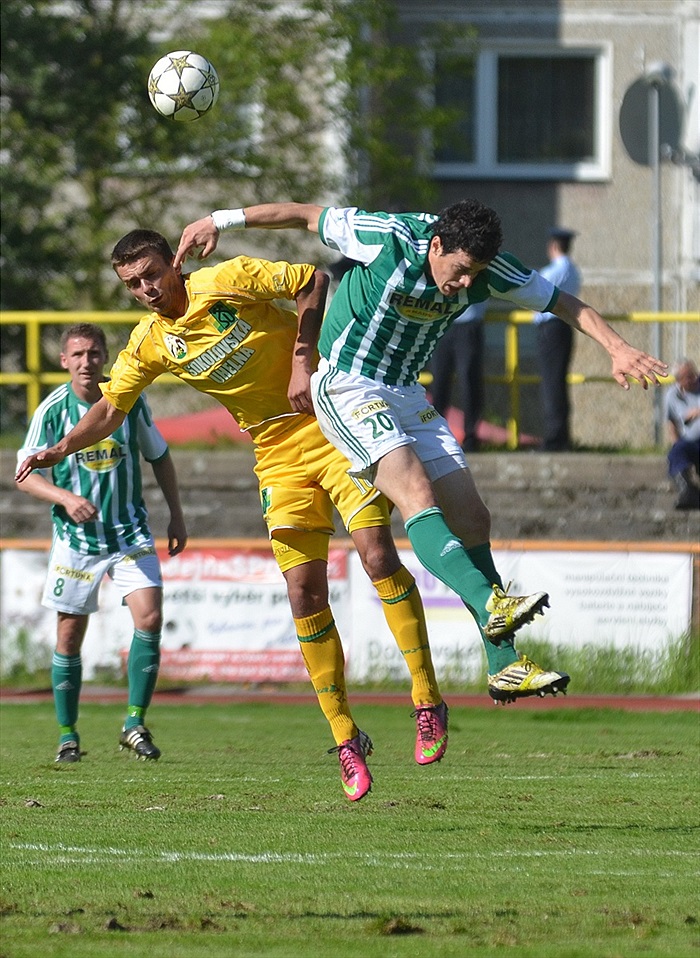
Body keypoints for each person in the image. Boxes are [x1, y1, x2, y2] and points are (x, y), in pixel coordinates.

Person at [173, 198, 668, 707]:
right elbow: (302, 213)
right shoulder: (386, 237)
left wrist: (617, 347)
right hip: (347, 386)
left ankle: (504, 667)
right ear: (435, 246)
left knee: (474, 518)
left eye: (473, 275)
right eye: (457, 271)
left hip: (407, 392)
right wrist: (218, 221)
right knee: (416, 493)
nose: (461, 285)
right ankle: (488, 602)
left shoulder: (489, 268)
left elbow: (565, 303)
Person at [17, 234, 449, 804]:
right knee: (302, 595)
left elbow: (312, 281)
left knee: (374, 554)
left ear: (172, 262)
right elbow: (108, 409)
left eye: (150, 274)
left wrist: (302, 359)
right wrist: (62, 448)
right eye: (132, 284)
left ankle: (425, 696)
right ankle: (346, 738)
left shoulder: (225, 279)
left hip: (330, 422)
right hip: (275, 454)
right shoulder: (151, 342)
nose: (146, 289)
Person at [15, 323, 188, 764]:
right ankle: (68, 735)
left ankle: (134, 723)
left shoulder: (127, 399)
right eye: (78, 355)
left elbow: (159, 455)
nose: (87, 362)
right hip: (77, 541)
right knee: (69, 637)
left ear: (105, 357)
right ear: (64, 361)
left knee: (149, 617)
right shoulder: (52, 410)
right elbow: (24, 473)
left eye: (94, 353)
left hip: (129, 532)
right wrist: (66, 497)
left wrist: (176, 512)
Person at [533, 228, 582, 451]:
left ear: (553, 246)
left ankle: (555, 438)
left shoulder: (553, 270)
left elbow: (535, 294)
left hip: (550, 328)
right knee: (558, 383)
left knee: (552, 384)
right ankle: (561, 435)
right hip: (564, 328)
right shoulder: (573, 271)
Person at [429, 299, 487, 452]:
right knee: (439, 383)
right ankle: (434, 437)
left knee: (469, 382)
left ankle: (471, 437)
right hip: (441, 323)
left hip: (468, 324)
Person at [664, 358, 700, 510]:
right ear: (679, 381)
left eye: (694, 374)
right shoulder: (672, 395)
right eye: (689, 377)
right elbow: (671, 421)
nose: (695, 378)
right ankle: (688, 492)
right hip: (691, 442)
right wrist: (676, 442)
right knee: (676, 452)